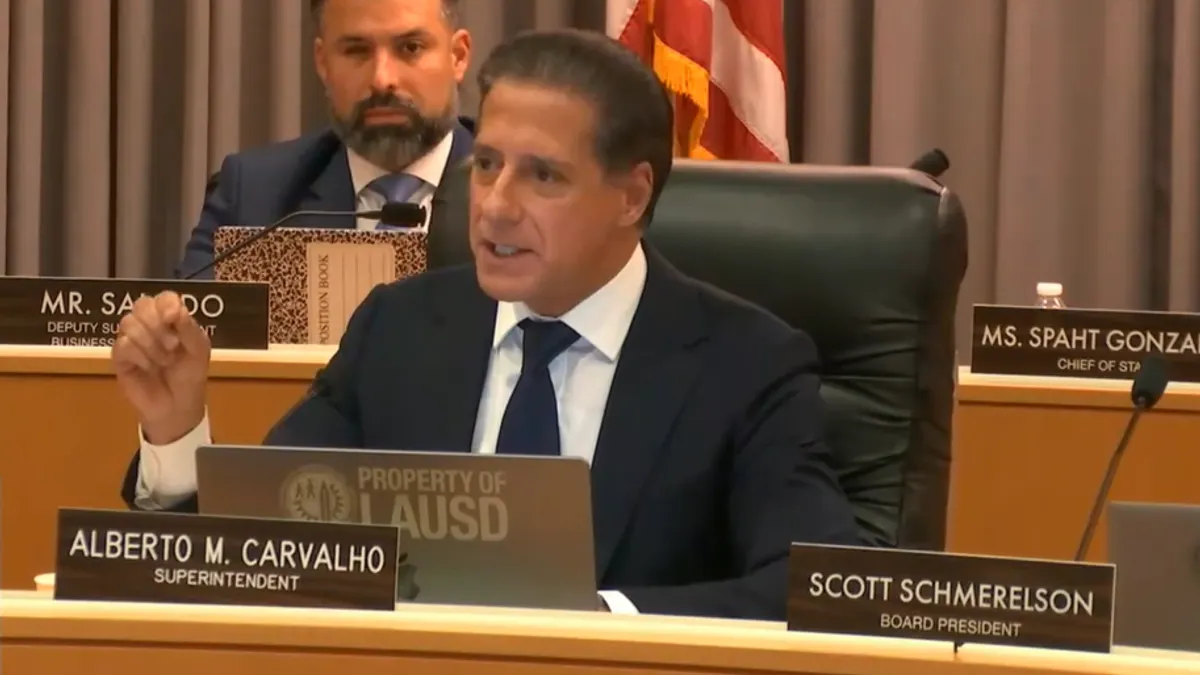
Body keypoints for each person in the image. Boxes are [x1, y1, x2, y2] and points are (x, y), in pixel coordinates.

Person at [114, 28, 860, 620]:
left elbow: (814, 583)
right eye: (488, 164)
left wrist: (594, 618)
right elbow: (265, 542)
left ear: (631, 196)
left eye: (543, 175)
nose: (496, 204)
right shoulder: (399, 328)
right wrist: (179, 432)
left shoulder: (744, 362)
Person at [178, 0, 474, 278]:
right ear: (322, 62)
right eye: (357, 51)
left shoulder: (510, 189)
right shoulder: (255, 195)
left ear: (458, 56)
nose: (382, 80)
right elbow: (192, 320)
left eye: (410, 48)